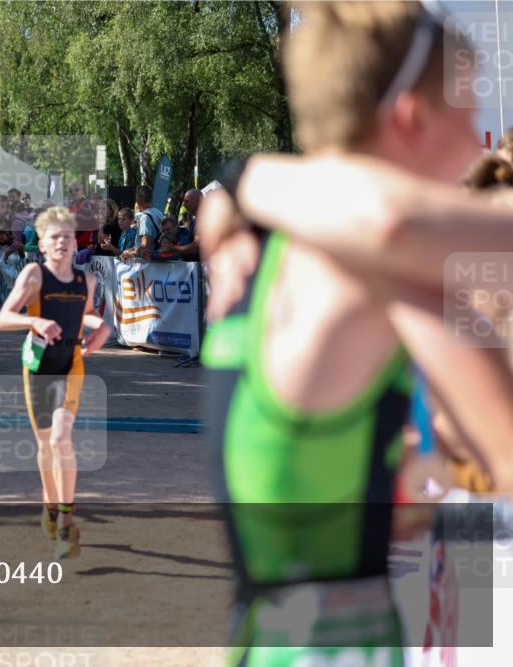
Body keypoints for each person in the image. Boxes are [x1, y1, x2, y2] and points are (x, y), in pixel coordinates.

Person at [200, 4, 513, 665]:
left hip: (269, 636)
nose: (476, 137)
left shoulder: (267, 245)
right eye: (468, 111)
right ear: (412, 119)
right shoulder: (375, 270)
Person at [0, 206, 111, 559]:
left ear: (76, 242)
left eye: (67, 236)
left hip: (70, 363)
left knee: (62, 437)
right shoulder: (33, 275)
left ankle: (66, 522)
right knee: (46, 445)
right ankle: (49, 505)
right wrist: (36, 323)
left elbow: (85, 315)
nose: (62, 242)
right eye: (54, 237)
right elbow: (3, 318)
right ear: (41, 245)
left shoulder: (85, 281)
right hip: (38, 365)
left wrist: (102, 327)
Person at [133, 184, 163, 260]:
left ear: (140, 199)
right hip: (158, 259)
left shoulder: (145, 218)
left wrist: (130, 253)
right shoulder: (159, 213)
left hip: (148, 263)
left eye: (136, 196)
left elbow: (144, 246)